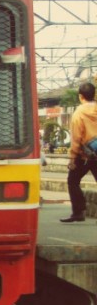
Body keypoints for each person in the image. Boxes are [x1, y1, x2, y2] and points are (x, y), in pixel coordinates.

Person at [60, 80, 97, 223]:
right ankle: (78, 212)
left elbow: (76, 137)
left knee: (72, 181)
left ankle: (78, 212)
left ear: (80, 96)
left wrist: (72, 158)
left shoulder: (79, 113)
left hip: (85, 155)